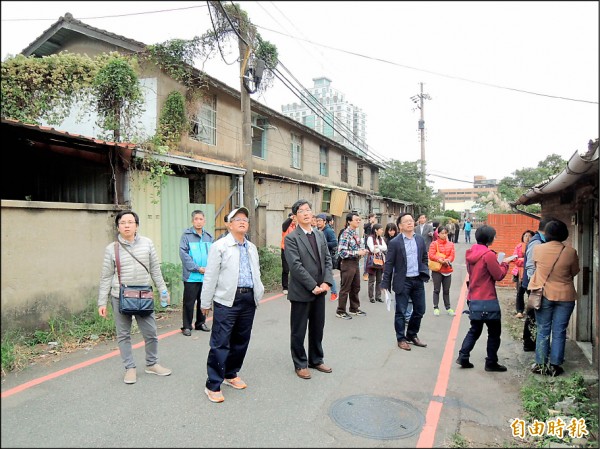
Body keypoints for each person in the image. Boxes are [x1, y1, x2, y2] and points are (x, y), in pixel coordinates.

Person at [98, 210, 172, 385]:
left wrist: (163, 290)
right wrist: (102, 302)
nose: (127, 225)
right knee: (123, 335)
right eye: (123, 222)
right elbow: (106, 276)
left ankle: (152, 363)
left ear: (137, 225)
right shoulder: (112, 249)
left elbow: (155, 269)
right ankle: (129, 368)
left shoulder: (147, 244)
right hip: (120, 296)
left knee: (151, 333)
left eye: (130, 222)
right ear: (118, 226)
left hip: (144, 296)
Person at [200, 207, 265, 403]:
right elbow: (210, 276)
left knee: (241, 340)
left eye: (245, 219)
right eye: (237, 219)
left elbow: (256, 272)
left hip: (248, 299)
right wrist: (205, 301)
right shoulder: (220, 246)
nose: (242, 221)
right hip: (227, 300)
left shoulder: (251, 247)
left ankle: (231, 374)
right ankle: (213, 384)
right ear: (229, 224)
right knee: (221, 342)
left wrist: (258, 292)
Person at [285, 201, 334, 380]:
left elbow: (328, 260)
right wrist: (312, 285)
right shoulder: (292, 238)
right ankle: (300, 363)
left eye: (308, 210)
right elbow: (295, 266)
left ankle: (316, 359)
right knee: (298, 330)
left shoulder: (320, 235)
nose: (306, 213)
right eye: (301, 211)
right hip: (302, 291)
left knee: (317, 327)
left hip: (320, 290)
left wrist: (327, 282)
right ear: (295, 216)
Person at [456, 225, 515, 372]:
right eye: (494, 236)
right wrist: (505, 264)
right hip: (487, 297)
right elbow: (498, 275)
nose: (495, 238)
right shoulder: (488, 255)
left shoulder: (471, 252)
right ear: (489, 238)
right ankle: (491, 362)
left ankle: (463, 356)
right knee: (494, 332)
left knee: (475, 329)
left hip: (473, 295)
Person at [529, 219, 579, 377]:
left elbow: (537, 267)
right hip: (565, 295)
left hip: (543, 294)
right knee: (559, 331)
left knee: (543, 329)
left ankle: (541, 364)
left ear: (547, 233)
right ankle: (556, 365)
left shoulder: (538, 249)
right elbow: (574, 271)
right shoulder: (570, 251)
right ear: (564, 234)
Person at [381, 213, 430, 351]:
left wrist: (424, 271)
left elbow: (424, 257)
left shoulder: (419, 240)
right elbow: (389, 264)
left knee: (420, 310)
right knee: (401, 312)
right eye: (406, 221)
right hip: (403, 281)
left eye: (411, 220)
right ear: (400, 226)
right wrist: (385, 284)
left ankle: (412, 334)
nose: (410, 223)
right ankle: (401, 338)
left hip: (417, 280)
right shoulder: (395, 242)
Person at [521, 216, 555, 352]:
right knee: (533, 314)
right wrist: (537, 283)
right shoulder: (537, 243)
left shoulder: (540, 241)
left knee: (533, 314)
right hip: (535, 285)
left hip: (535, 284)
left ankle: (530, 342)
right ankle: (529, 342)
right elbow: (530, 266)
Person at [179, 210, 213, 336]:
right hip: (192, 276)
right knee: (189, 302)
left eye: (201, 219)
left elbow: (214, 254)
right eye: (196, 219)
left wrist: (209, 269)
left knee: (203, 300)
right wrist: (197, 268)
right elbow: (184, 255)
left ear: (204, 221)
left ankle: (200, 323)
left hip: (206, 276)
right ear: (192, 221)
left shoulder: (209, 237)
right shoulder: (186, 236)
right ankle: (187, 326)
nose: (198, 221)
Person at [336, 211, 369, 319]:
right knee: (345, 287)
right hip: (347, 263)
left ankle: (354, 308)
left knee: (356, 286)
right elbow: (341, 252)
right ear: (349, 221)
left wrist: (362, 251)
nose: (358, 221)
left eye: (359, 220)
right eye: (356, 220)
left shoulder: (355, 233)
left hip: (355, 263)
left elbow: (355, 248)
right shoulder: (346, 234)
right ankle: (340, 310)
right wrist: (357, 253)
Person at [429, 225, 456, 316]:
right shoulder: (434, 244)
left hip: (447, 269)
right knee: (436, 289)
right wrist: (439, 259)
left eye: (445, 233)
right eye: (442, 233)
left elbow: (452, 255)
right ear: (438, 234)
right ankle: (436, 307)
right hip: (437, 270)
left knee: (446, 290)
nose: (444, 235)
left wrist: (448, 260)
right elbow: (431, 255)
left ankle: (448, 308)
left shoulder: (451, 244)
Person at [511, 230, 535, 319]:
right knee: (519, 293)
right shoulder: (519, 246)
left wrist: (522, 260)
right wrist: (524, 261)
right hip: (519, 273)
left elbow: (532, 261)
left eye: (529, 236)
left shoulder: (534, 247)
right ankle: (519, 311)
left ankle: (531, 312)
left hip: (530, 273)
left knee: (531, 293)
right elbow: (515, 260)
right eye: (525, 236)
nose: (527, 238)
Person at [316, 213, 338, 301]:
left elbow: (335, 243)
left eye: (320, 221)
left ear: (325, 221)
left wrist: (323, 245)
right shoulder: (316, 230)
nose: (318, 222)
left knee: (329, 275)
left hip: (327, 256)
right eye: (317, 221)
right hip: (319, 256)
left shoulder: (328, 231)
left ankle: (334, 293)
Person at [366, 223, 387, 303]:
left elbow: (385, 248)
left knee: (379, 279)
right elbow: (372, 249)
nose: (382, 231)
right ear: (376, 230)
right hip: (373, 260)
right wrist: (378, 248)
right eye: (380, 229)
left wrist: (377, 247)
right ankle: (371, 297)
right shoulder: (370, 238)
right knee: (371, 280)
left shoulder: (381, 239)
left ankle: (378, 296)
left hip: (380, 260)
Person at [281, 213, 297, 295]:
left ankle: (293, 286)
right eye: (293, 218)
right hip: (285, 249)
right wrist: (290, 218)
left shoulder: (296, 227)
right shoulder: (286, 227)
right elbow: (284, 225)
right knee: (286, 269)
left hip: (293, 250)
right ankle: (285, 287)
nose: (294, 220)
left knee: (294, 268)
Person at [362, 213, 378, 281]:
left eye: (375, 217)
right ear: (370, 218)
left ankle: (372, 271)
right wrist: (370, 222)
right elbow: (364, 227)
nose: (374, 219)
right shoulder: (367, 224)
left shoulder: (375, 225)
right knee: (366, 259)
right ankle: (365, 273)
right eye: (374, 217)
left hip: (373, 243)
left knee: (374, 257)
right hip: (367, 244)